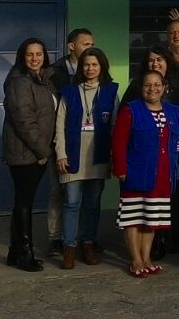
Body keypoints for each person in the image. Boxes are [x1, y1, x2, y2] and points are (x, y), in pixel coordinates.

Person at [112, 70, 179, 277]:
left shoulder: (173, 111)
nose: (152, 89)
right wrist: (120, 169)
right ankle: (135, 259)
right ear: (141, 88)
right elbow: (118, 142)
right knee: (133, 217)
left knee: (152, 218)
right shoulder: (131, 110)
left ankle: (146, 258)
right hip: (136, 171)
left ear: (164, 87)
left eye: (157, 84)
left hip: (162, 173)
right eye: (147, 85)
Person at [53, 46, 119, 269]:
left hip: (97, 155)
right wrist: (60, 153)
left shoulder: (110, 92)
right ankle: (69, 247)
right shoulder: (69, 92)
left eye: (94, 65)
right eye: (86, 65)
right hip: (73, 153)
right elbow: (59, 125)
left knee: (92, 203)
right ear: (81, 67)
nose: (90, 69)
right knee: (72, 202)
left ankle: (88, 243)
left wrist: (113, 154)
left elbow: (115, 126)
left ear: (102, 67)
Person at [1, 37, 57, 272]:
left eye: (39, 54)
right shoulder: (19, 82)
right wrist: (42, 151)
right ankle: (25, 254)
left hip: (36, 151)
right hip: (26, 152)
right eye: (30, 54)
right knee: (24, 203)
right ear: (22, 57)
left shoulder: (43, 80)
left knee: (22, 201)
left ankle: (15, 252)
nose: (35, 58)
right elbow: (24, 121)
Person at [45, 27, 94, 257]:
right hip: (60, 141)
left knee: (84, 196)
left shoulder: (94, 69)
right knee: (59, 192)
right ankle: (55, 239)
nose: (90, 48)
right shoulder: (54, 73)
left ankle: (83, 238)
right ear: (71, 46)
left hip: (86, 145)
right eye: (86, 44)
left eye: (92, 44)